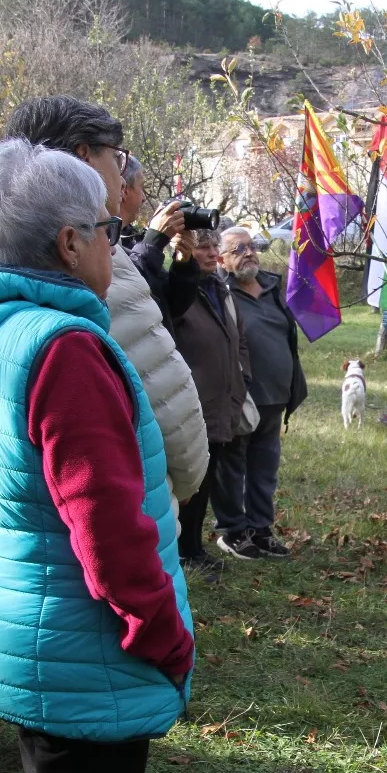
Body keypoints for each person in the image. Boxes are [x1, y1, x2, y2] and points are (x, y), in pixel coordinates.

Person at [0, 97, 204, 773]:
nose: (116, 244)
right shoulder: (68, 349)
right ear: (69, 242)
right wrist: (163, 638)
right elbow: (110, 530)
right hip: (87, 648)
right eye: (108, 231)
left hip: (16, 624)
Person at [0, 98, 208, 510]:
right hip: (114, 483)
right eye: (117, 157)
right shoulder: (89, 245)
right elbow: (157, 380)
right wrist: (186, 474)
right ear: (84, 156)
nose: (121, 175)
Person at [214, 226, 307, 559]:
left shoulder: (271, 287)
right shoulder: (218, 291)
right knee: (232, 464)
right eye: (238, 249)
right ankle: (232, 530)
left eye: (251, 246)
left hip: (276, 395)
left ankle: (260, 528)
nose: (248, 253)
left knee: (265, 467)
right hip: (240, 396)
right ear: (222, 260)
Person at [173, 228, 250, 568]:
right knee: (188, 482)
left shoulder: (221, 288)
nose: (209, 252)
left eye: (212, 245)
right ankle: (182, 551)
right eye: (201, 246)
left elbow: (238, 339)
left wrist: (241, 379)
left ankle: (193, 548)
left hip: (222, 401)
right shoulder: (178, 290)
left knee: (206, 481)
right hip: (191, 403)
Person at [117, 155, 197, 334]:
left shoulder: (133, 239)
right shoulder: (101, 242)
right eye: (141, 187)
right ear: (123, 189)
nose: (144, 198)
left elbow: (173, 305)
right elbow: (129, 294)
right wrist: (155, 240)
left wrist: (183, 264)